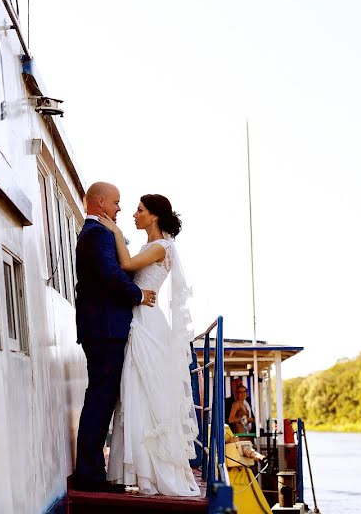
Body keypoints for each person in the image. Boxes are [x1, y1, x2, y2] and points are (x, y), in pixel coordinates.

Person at [97, 194, 200, 496]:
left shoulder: (160, 247)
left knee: (143, 390)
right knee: (136, 391)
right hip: (141, 316)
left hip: (146, 322)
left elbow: (127, 264)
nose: (134, 214)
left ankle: (150, 473)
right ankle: (140, 470)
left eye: (140, 210)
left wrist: (114, 232)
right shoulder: (152, 247)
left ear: (154, 216)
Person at [73, 182, 157, 494]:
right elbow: (109, 274)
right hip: (104, 329)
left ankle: (93, 470)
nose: (119, 209)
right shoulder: (97, 234)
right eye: (116, 202)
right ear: (99, 202)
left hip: (102, 328)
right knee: (100, 398)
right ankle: (90, 475)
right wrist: (138, 294)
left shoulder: (98, 233)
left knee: (102, 398)